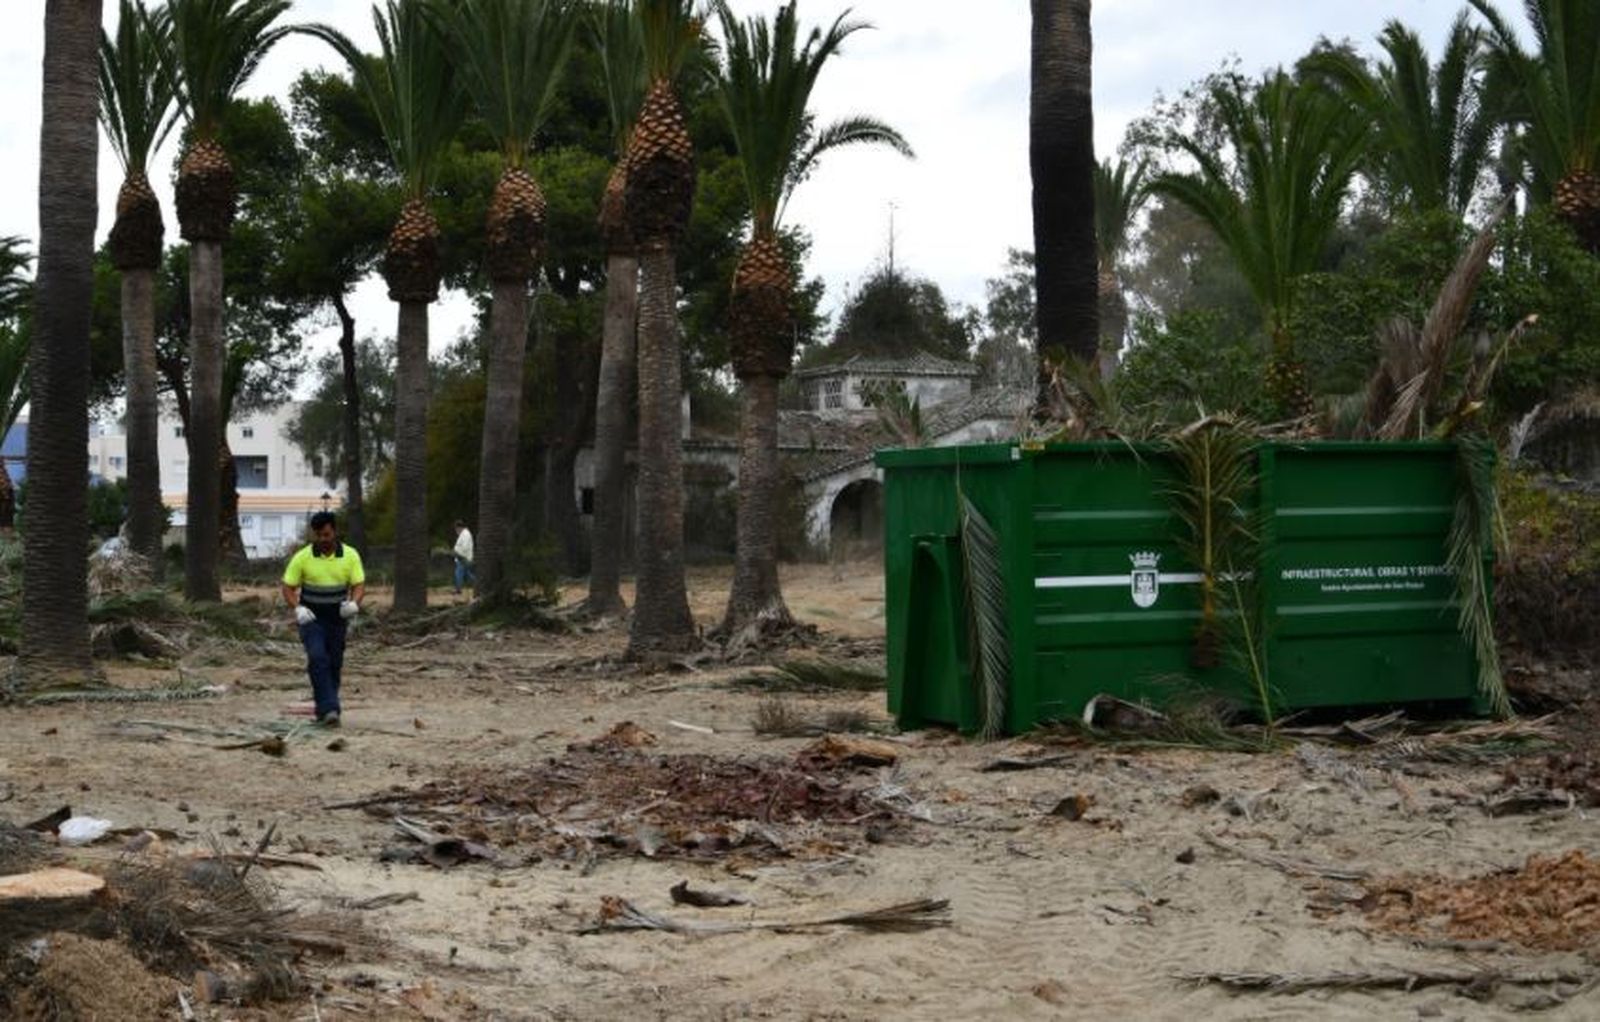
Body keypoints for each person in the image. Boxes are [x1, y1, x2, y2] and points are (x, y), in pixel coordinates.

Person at [282, 511, 364, 726]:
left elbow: (358, 584)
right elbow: (288, 587)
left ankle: (324, 709)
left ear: (334, 532)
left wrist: (354, 603)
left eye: (326, 534)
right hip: (312, 619)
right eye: (318, 535)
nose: (322, 539)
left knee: (334, 662)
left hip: (337, 618)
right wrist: (297, 608)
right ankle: (330, 709)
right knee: (318, 658)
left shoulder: (350, 555)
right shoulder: (302, 557)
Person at [452, 519, 475, 595]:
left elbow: (465, 547)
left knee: (458, 573)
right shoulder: (463, 534)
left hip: (463, 558)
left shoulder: (465, 534)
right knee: (467, 575)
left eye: (456, 529)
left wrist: (457, 553)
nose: (456, 531)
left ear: (459, 527)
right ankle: (478, 584)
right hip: (462, 557)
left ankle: (458, 589)